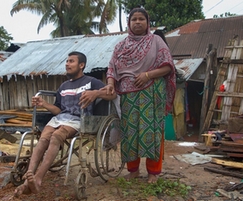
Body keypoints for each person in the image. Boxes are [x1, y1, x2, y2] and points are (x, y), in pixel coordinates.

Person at [14, 51, 116, 197]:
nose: (67, 64)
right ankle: (26, 183)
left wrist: (96, 93)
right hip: (60, 118)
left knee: (56, 136)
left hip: (79, 119)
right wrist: (44, 104)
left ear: (81, 65)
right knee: (43, 139)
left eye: (71, 61)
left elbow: (112, 94)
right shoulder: (63, 86)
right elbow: (58, 110)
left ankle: (38, 178)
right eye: (67, 61)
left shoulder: (91, 82)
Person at [103, 8, 176, 183]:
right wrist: (111, 84)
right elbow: (112, 69)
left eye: (141, 19)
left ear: (147, 22)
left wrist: (147, 75)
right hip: (128, 96)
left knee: (152, 131)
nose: (137, 22)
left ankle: (153, 172)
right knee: (130, 133)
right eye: (133, 19)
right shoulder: (121, 46)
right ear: (128, 23)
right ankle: (133, 170)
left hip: (152, 93)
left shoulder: (156, 41)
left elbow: (168, 67)